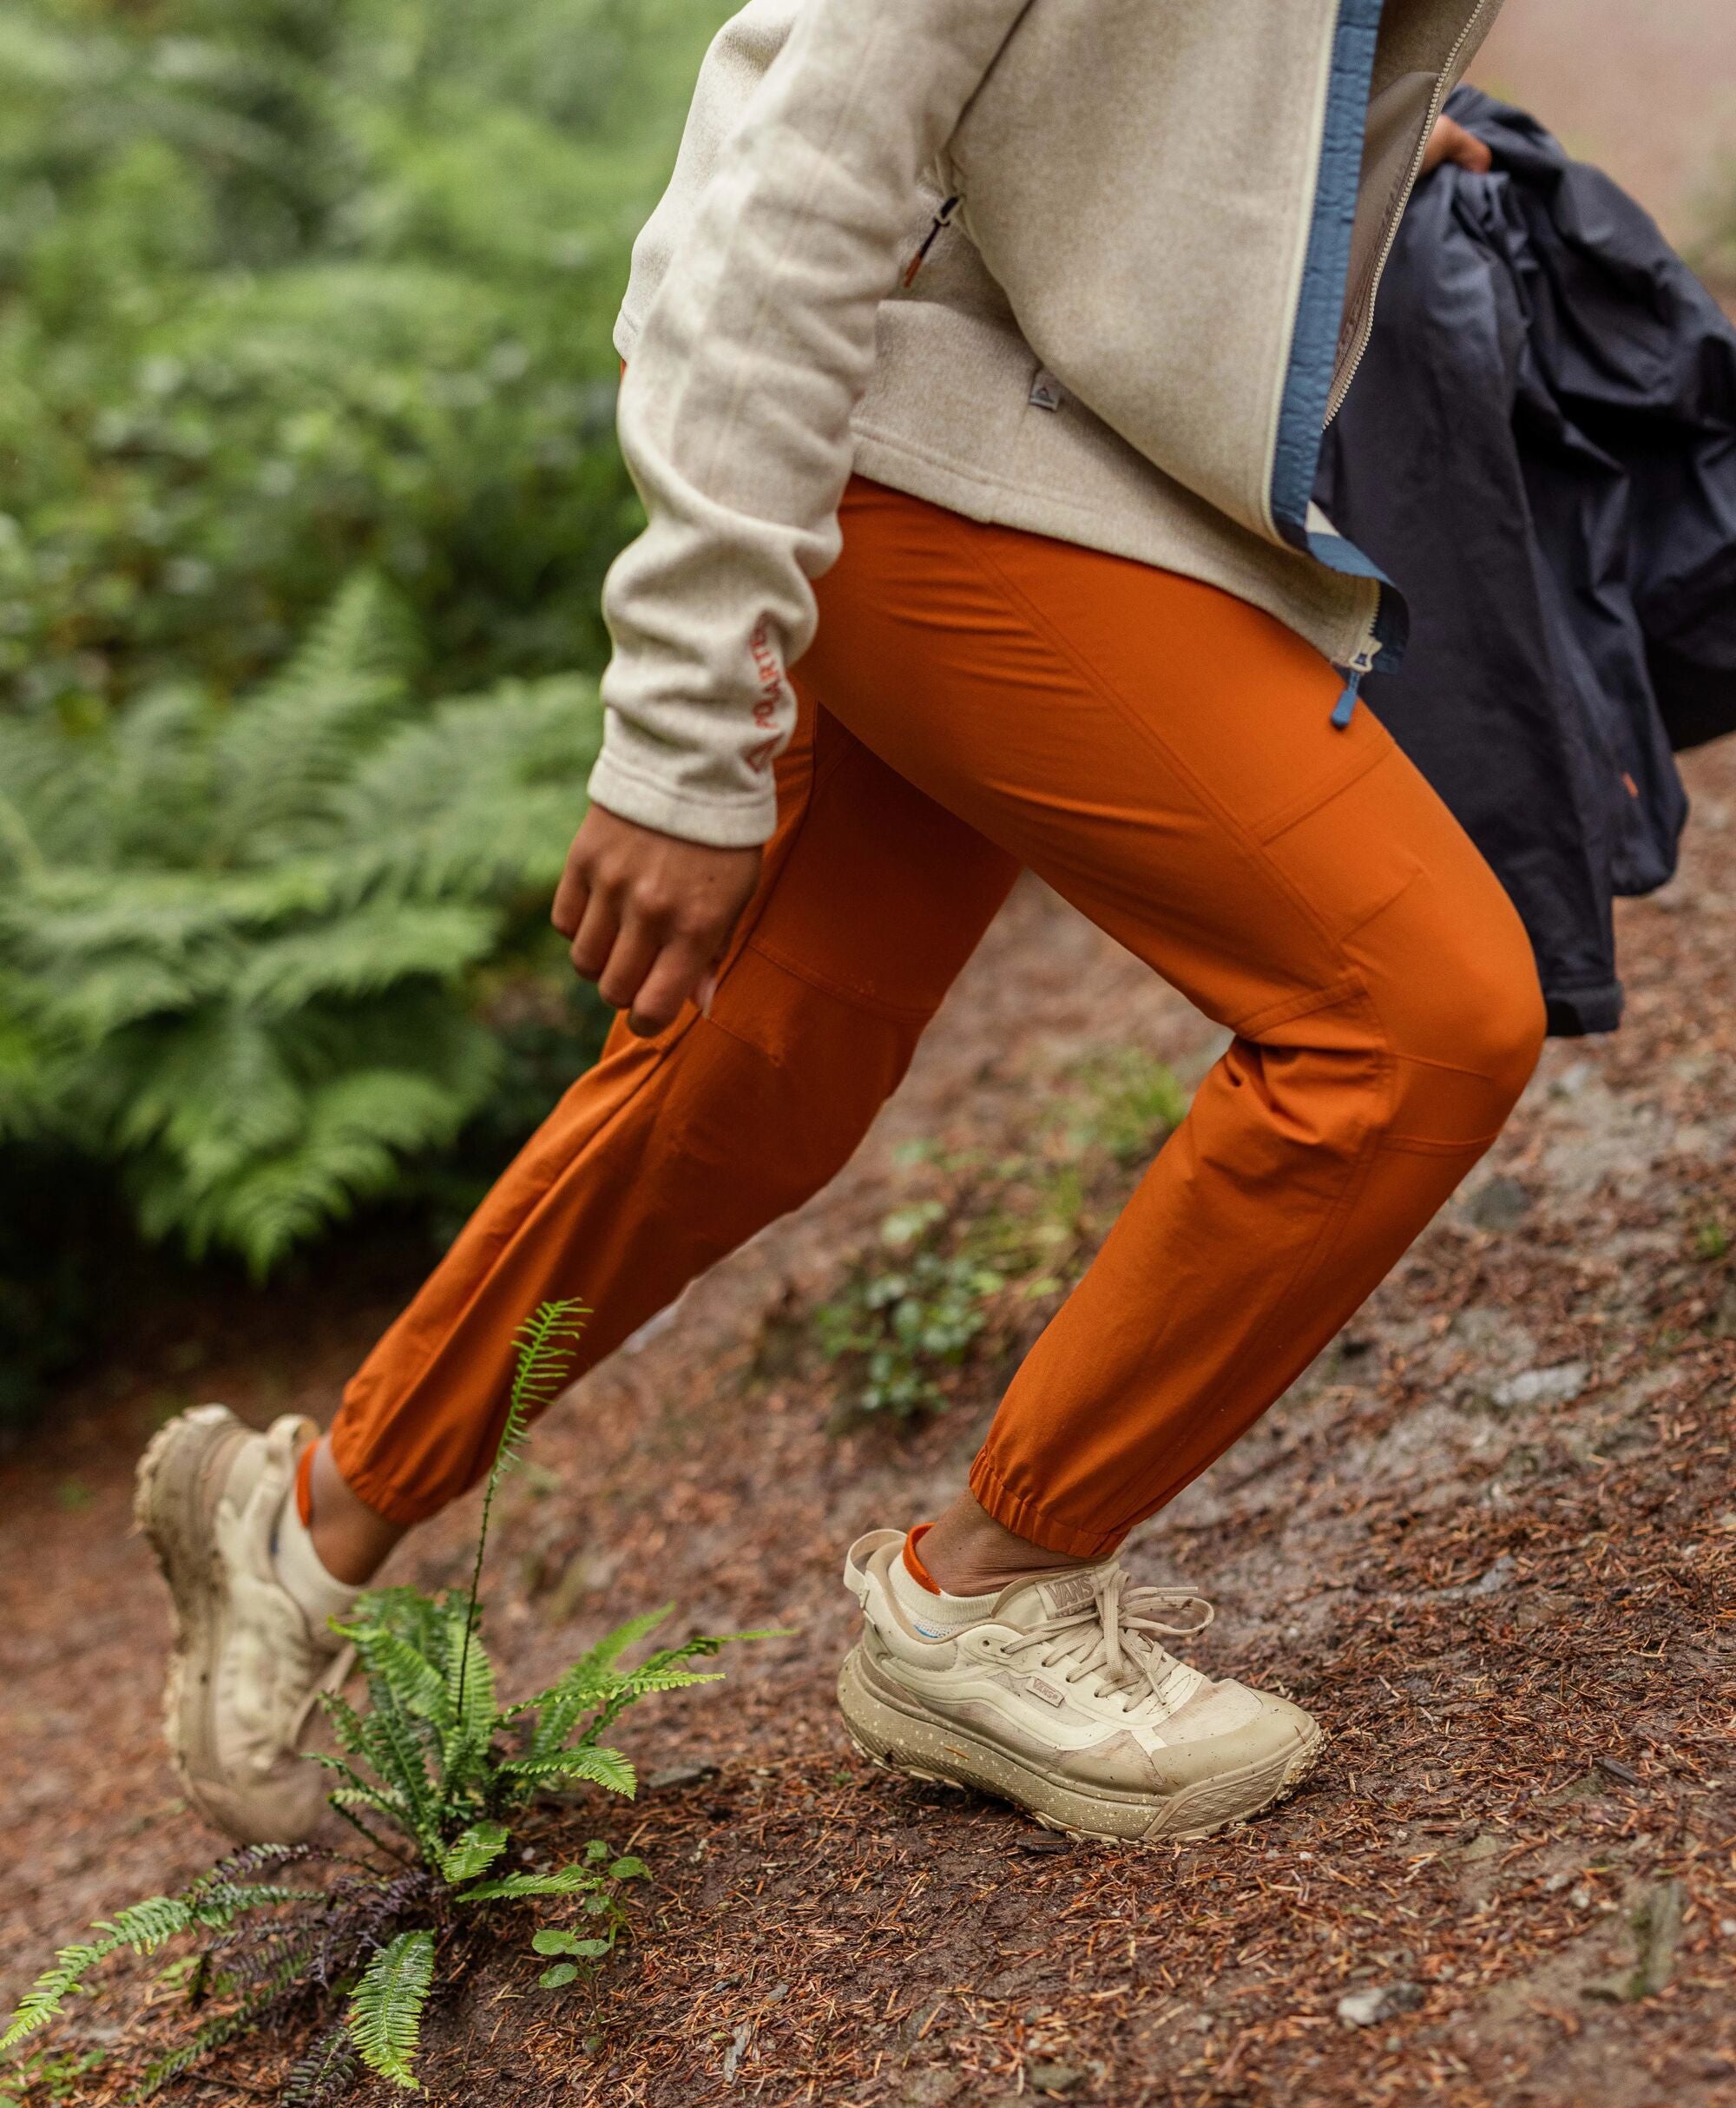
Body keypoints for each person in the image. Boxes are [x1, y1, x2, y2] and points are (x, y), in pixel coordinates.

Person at [136, 5, 1536, 1849]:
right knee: (1408, 1010)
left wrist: (1322, 128)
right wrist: (683, 728)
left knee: (752, 1066)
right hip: (898, 430)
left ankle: (304, 1523)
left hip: (1039, 433)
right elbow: (798, 171)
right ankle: (987, 1593)